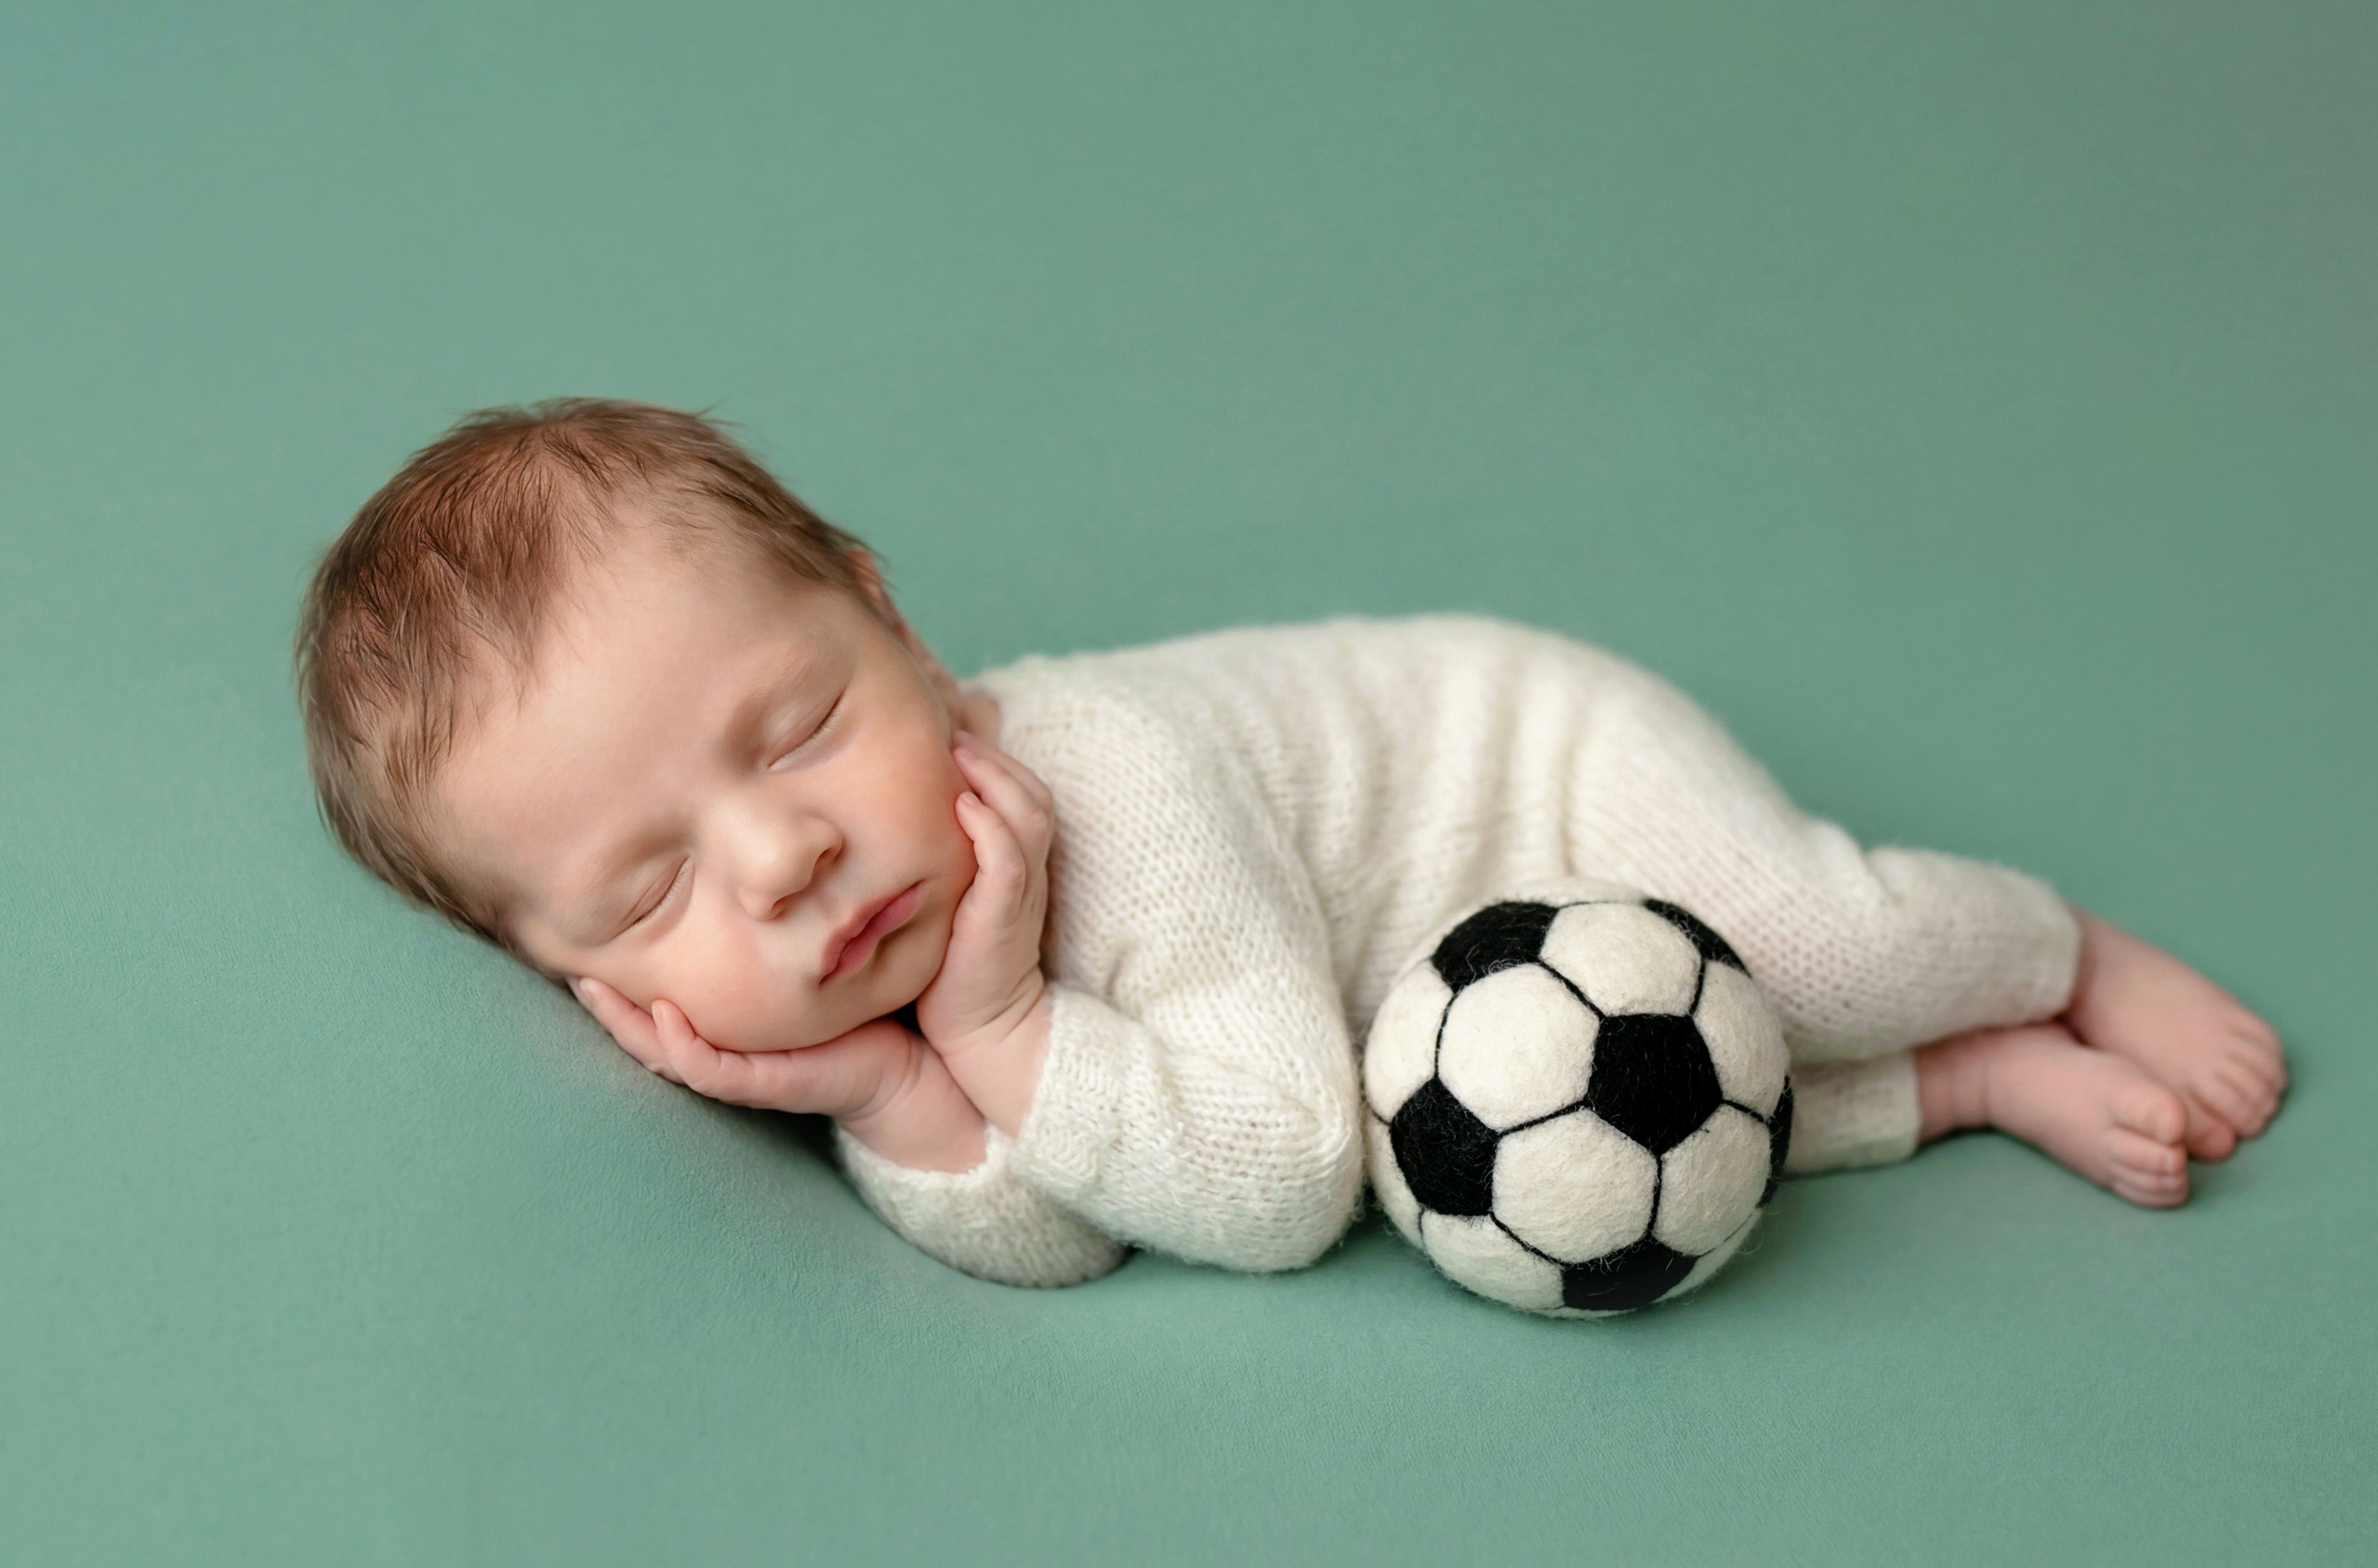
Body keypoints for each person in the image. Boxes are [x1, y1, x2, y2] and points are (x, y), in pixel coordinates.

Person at [295, 399, 2287, 1289]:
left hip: (1532, 767)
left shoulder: (1098, 781)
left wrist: (986, 1023)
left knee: (1788, 942)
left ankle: (2046, 952)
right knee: (1552, 1140)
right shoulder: (883, 985)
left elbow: (1262, 1179)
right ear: (593, 987)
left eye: (799, 726)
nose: (788, 859)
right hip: (1432, 1000)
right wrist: (895, 1087)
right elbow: (1071, 1223)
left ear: (892, 623)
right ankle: (1958, 1086)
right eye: (651, 892)